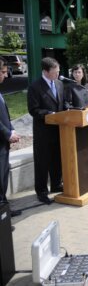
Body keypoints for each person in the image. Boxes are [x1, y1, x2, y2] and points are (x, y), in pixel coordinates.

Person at [27, 57, 64, 205]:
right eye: (55, 72)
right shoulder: (35, 87)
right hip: (43, 133)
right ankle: (41, 191)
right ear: (46, 72)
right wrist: (48, 114)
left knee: (57, 160)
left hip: (59, 131)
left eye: (58, 71)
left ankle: (56, 184)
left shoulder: (60, 84)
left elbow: (62, 104)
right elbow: (33, 109)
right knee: (42, 163)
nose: (57, 74)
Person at [0, 58, 21, 216]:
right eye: (3, 72)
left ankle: (4, 211)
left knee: (3, 177)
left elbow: (4, 116)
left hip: (4, 143)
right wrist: (7, 134)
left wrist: (12, 130)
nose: (6, 75)